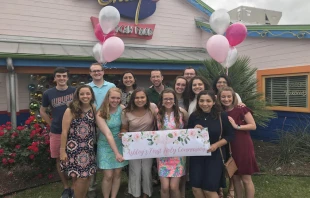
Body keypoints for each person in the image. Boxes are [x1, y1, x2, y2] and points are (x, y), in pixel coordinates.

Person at [188, 90, 234, 198]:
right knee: (196, 188)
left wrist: (216, 145)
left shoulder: (221, 115)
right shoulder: (194, 116)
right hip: (197, 156)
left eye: (208, 101)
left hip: (215, 155)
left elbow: (230, 135)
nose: (205, 103)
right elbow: (187, 136)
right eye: (202, 100)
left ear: (214, 102)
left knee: (209, 189)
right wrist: (193, 130)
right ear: (198, 102)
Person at [40, 67, 76, 198]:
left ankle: (74, 186)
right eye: (59, 76)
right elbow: (42, 111)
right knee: (59, 159)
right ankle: (66, 187)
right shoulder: (48, 93)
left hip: (73, 131)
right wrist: (51, 124)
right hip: (56, 132)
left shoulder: (75, 91)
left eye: (64, 76)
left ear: (67, 78)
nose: (61, 78)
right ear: (55, 78)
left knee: (73, 159)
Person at [219, 87, 259, 198]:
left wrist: (237, 126)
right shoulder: (221, 112)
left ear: (233, 97)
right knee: (235, 177)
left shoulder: (241, 108)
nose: (226, 99)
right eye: (223, 96)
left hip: (242, 146)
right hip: (229, 147)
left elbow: (253, 125)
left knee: (246, 178)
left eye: (228, 96)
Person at [59, 85, 97, 198]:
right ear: (78, 96)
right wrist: (62, 151)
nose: (85, 96)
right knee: (82, 177)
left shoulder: (93, 107)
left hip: (88, 148)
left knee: (88, 177)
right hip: (75, 148)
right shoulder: (71, 109)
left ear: (91, 95)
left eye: (88, 94)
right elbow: (64, 132)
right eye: (82, 94)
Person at [120, 88, 157, 198]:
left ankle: (146, 193)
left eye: (142, 97)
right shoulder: (126, 112)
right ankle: (135, 193)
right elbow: (124, 128)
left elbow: (160, 121)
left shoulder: (152, 107)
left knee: (146, 170)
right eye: (137, 97)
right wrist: (123, 134)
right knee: (135, 171)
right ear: (133, 99)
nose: (140, 100)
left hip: (149, 145)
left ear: (146, 98)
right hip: (133, 146)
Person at [87, 62, 115, 197]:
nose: (97, 73)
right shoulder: (86, 88)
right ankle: (91, 187)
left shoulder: (111, 86)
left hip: (108, 126)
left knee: (107, 152)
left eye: (99, 70)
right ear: (90, 73)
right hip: (89, 126)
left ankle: (108, 179)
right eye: (94, 71)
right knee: (90, 156)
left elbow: (116, 103)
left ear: (103, 72)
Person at [96, 87, 128, 198]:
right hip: (105, 145)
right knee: (108, 175)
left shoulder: (122, 109)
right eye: (113, 98)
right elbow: (108, 134)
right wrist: (117, 153)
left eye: (118, 98)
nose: (115, 100)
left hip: (119, 143)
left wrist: (123, 131)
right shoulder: (101, 113)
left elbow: (125, 125)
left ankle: (113, 196)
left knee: (118, 173)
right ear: (107, 98)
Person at [156, 88, 188, 198]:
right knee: (164, 187)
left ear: (175, 99)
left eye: (170, 98)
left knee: (174, 187)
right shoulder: (157, 113)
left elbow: (189, 130)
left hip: (178, 155)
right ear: (162, 100)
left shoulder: (182, 112)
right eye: (165, 99)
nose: (168, 101)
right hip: (162, 154)